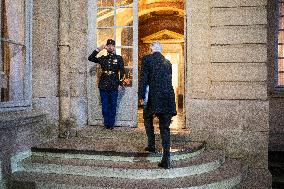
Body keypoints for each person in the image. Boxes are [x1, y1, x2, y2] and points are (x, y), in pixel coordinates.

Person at [138, 41, 177, 169]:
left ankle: (152, 145)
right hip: (168, 97)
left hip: (154, 95)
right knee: (165, 128)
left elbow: (144, 78)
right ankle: (166, 159)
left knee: (147, 117)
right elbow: (168, 80)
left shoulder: (147, 59)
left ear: (151, 49)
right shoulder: (168, 62)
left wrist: (141, 96)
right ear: (161, 50)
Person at [88, 39, 125, 130]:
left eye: (112, 45)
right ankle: (106, 124)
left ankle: (111, 125)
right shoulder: (103, 58)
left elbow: (122, 71)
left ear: (114, 47)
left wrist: (120, 83)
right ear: (106, 47)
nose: (110, 47)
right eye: (108, 45)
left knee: (113, 105)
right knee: (104, 105)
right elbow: (90, 58)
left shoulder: (119, 58)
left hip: (114, 84)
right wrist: (98, 49)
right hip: (103, 84)